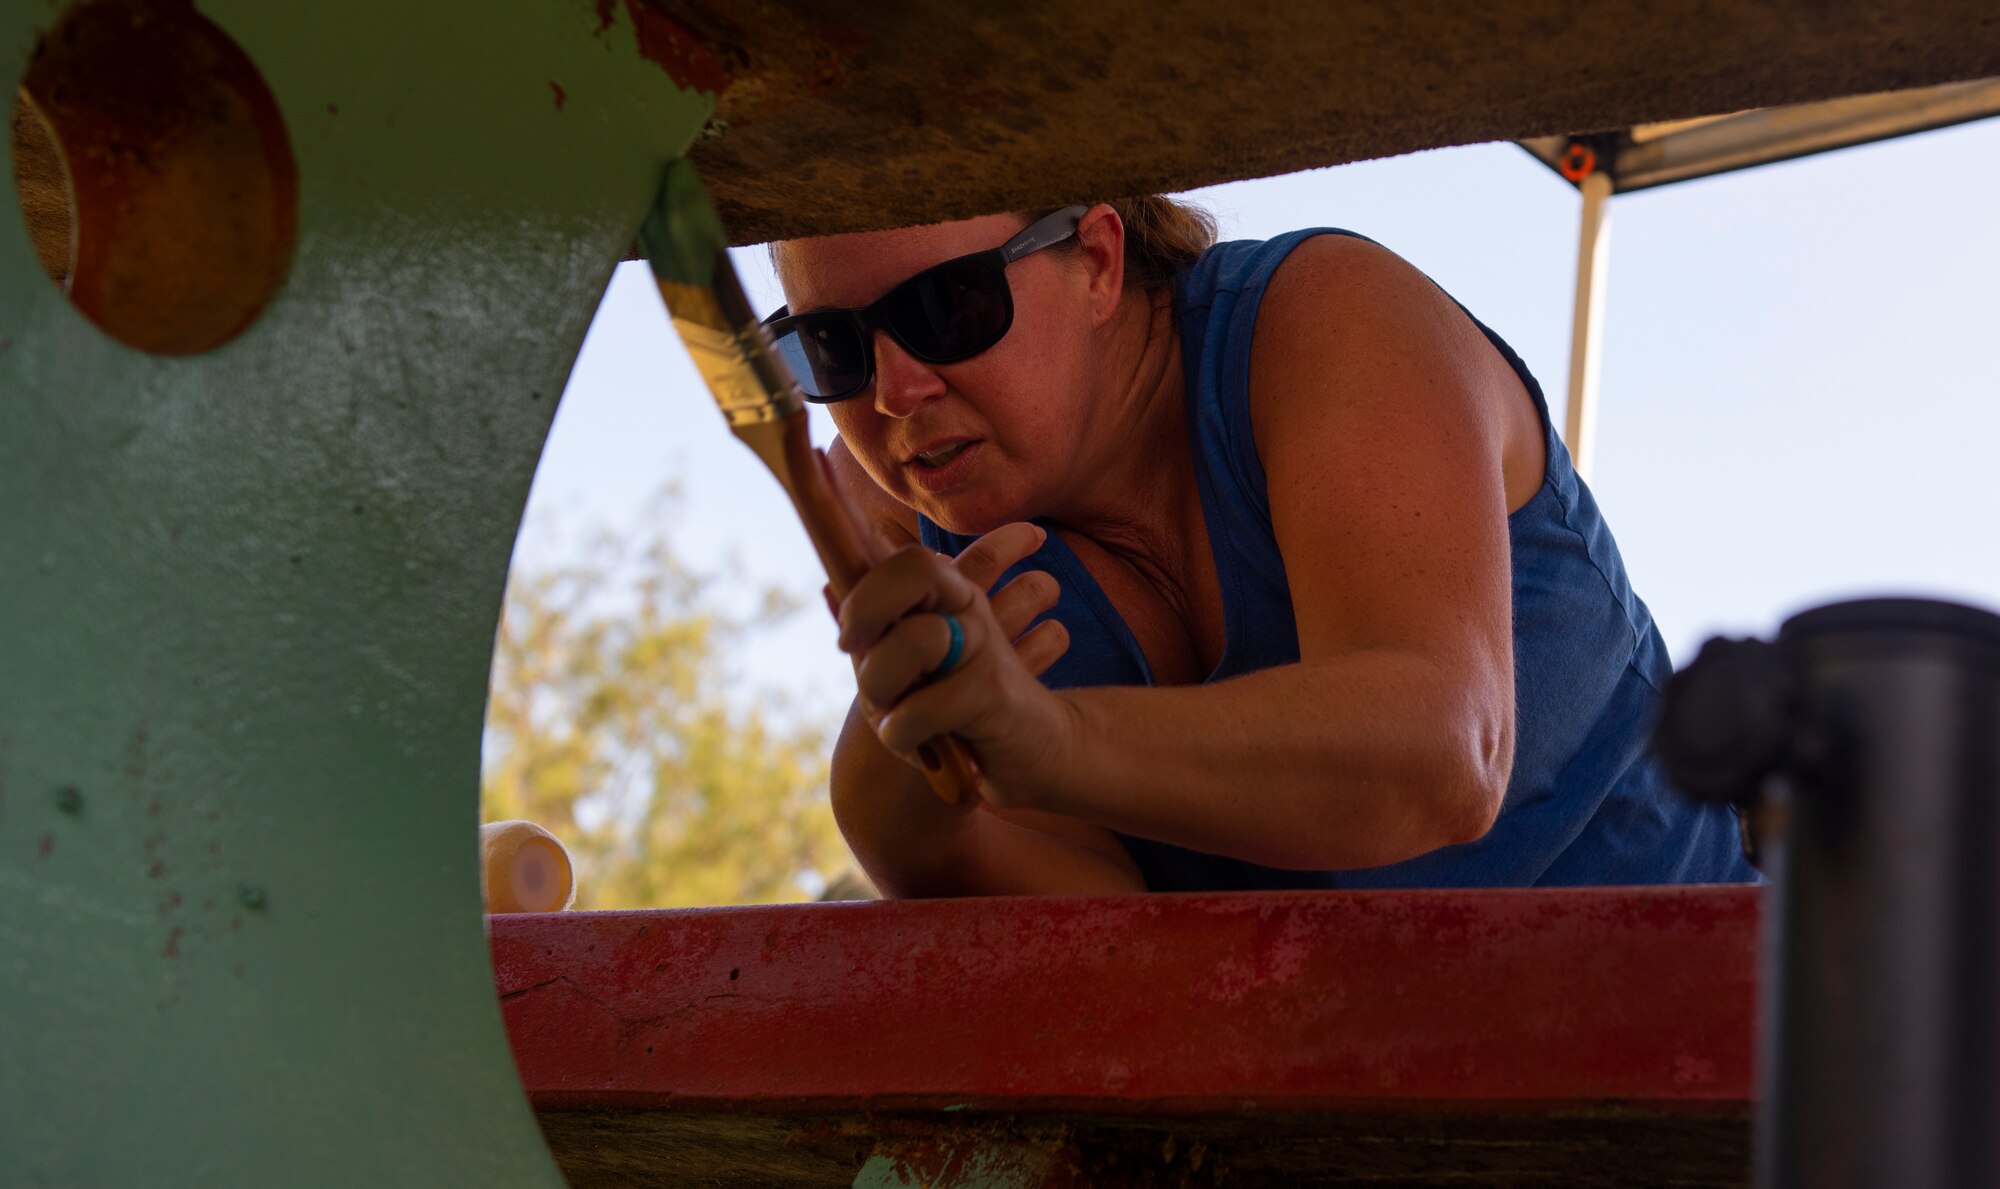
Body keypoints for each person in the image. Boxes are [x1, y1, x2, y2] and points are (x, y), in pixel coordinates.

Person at [764, 197, 1758, 897]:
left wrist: (1047, 741)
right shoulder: (948, 539)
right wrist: (895, 778)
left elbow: (1434, 756)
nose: (893, 391)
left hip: (1706, 1058)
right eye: (831, 348)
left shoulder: (1322, 316)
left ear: (1099, 262)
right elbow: (1103, 947)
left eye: (947, 309)